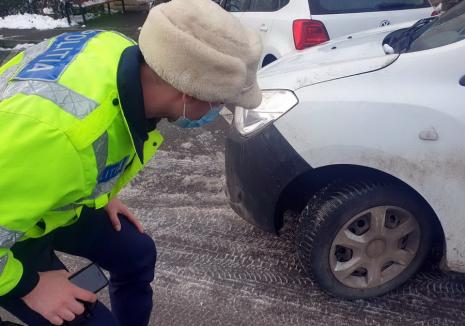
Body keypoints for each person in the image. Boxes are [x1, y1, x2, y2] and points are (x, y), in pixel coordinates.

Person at [0, 0, 262, 324]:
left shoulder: (119, 49)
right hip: (12, 234)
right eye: (219, 103)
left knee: (136, 254)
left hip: (35, 193)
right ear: (189, 92)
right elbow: (55, 148)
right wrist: (30, 285)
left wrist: (100, 190)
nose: (214, 115)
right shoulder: (63, 139)